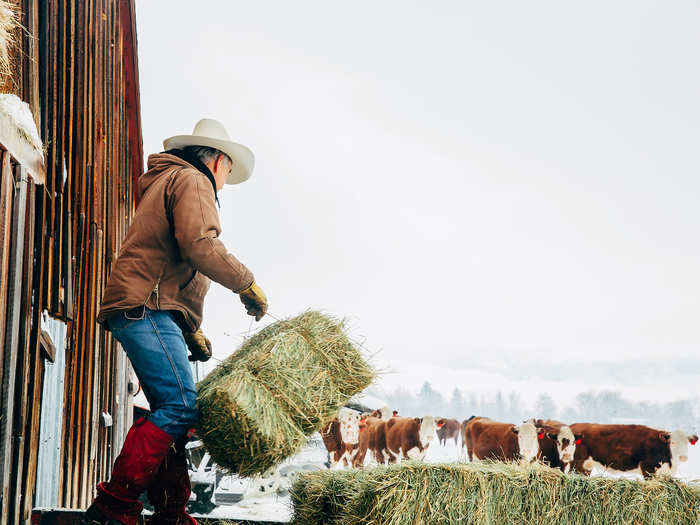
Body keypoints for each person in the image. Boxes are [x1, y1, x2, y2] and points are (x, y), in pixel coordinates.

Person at [83, 119, 268, 525]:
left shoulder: (170, 180)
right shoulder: (192, 180)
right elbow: (200, 245)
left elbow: (170, 268)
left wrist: (189, 329)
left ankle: (171, 511)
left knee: (172, 408)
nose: (225, 181)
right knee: (182, 406)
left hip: (145, 307)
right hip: (143, 308)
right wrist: (246, 283)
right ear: (218, 160)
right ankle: (115, 506)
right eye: (228, 171)